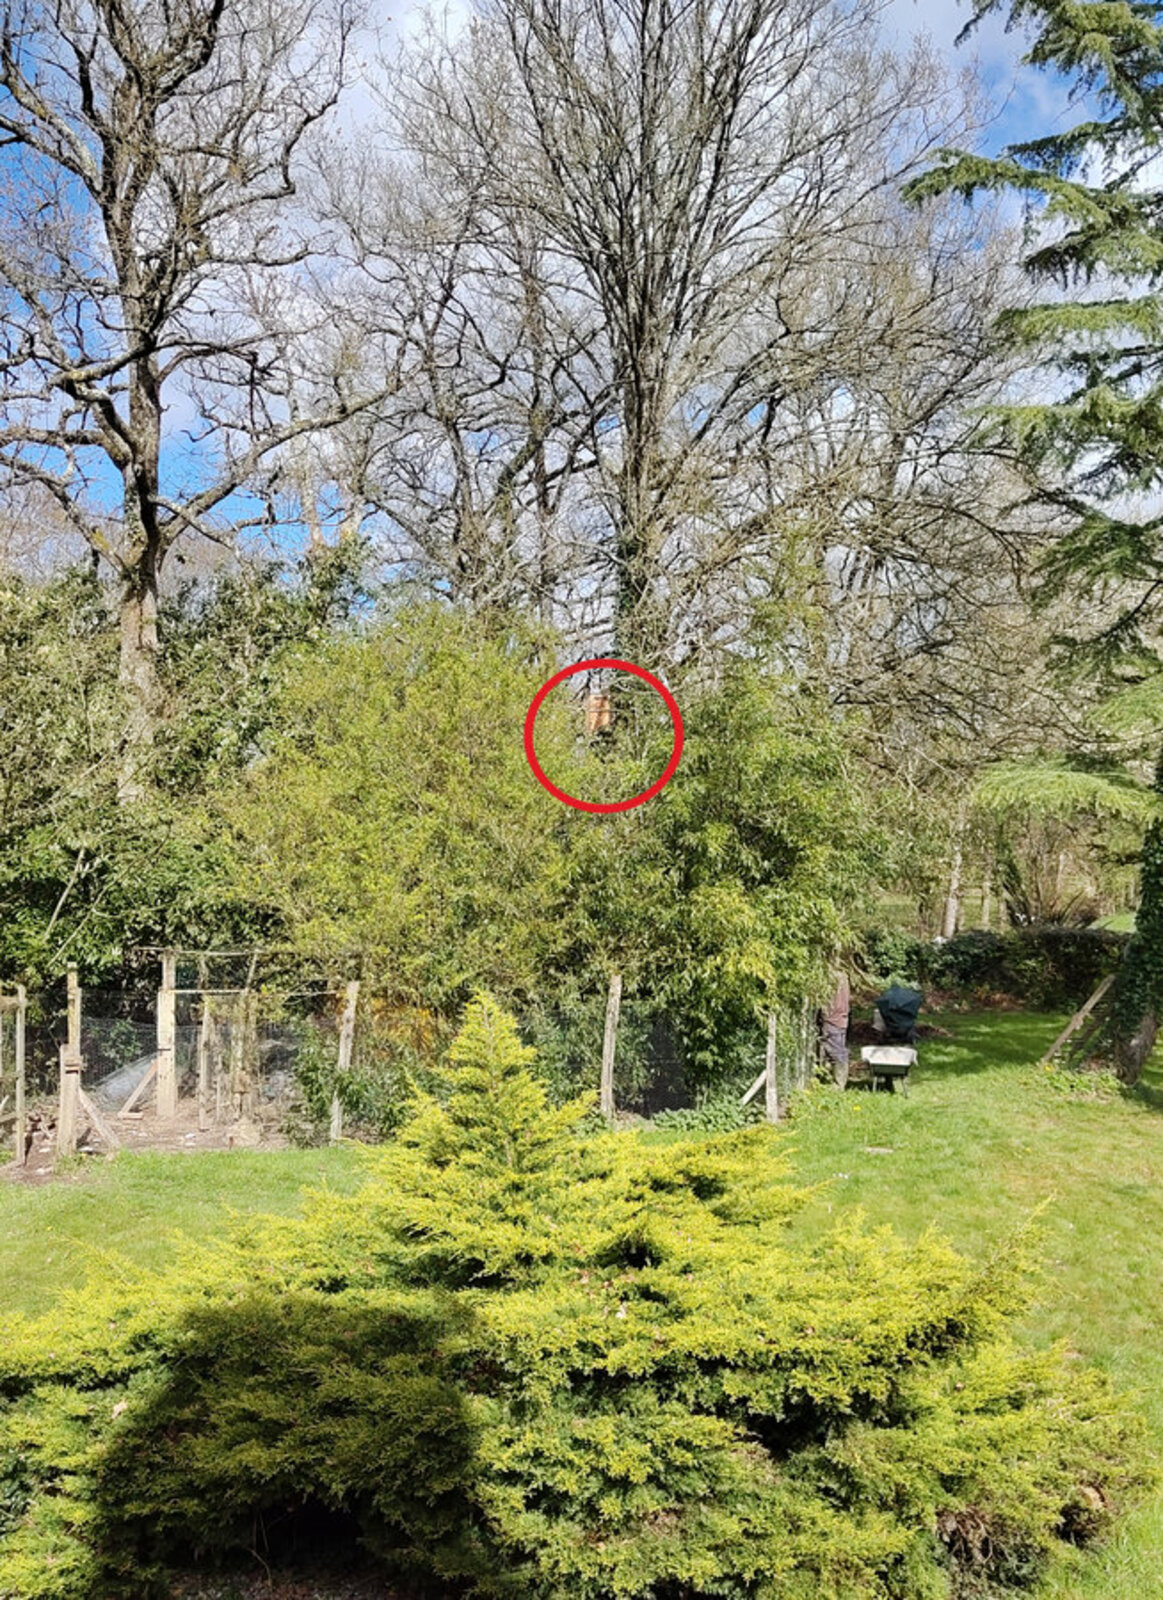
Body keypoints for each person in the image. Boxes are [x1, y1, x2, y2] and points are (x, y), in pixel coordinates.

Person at [818, 969, 850, 1087]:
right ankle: (837, 1080)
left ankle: (838, 1083)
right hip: (842, 1020)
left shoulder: (831, 980)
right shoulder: (844, 978)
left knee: (835, 1052)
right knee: (840, 1050)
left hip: (832, 1020)